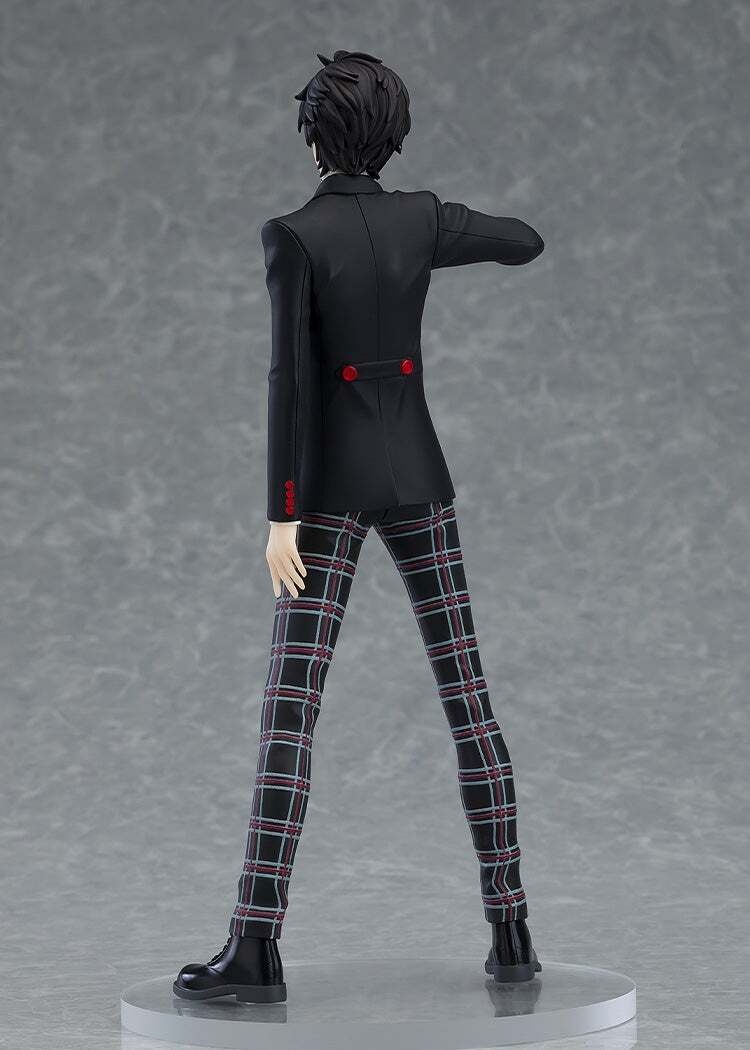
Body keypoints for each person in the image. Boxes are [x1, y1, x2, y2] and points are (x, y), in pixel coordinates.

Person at [174, 49, 544, 1004]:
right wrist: (442, 226)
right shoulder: (421, 218)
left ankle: (255, 942)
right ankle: (513, 933)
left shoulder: (295, 236)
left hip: (328, 493)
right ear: (392, 134)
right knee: (469, 701)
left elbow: (288, 382)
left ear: (313, 136)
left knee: (291, 712)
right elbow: (523, 240)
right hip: (418, 475)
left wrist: (280, 514)